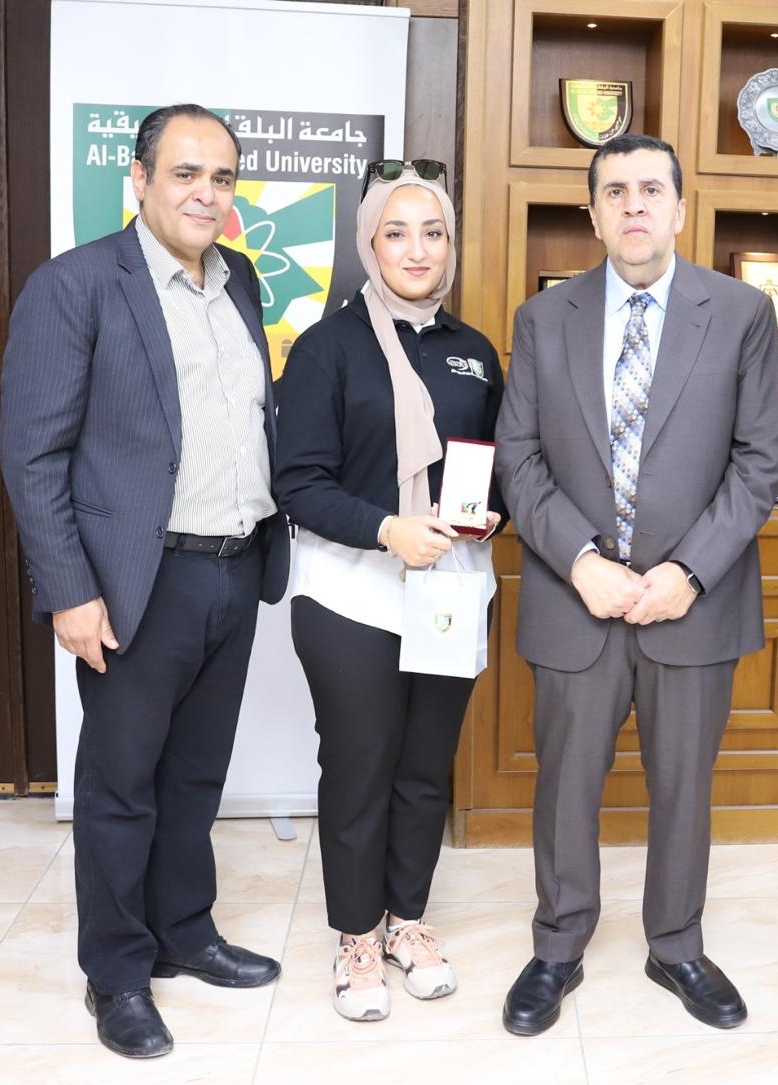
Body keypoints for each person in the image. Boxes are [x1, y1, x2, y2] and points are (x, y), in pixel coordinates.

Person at [0, 104, 290, 1058]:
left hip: (234, 569)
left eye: (222, 178)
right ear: (139, 178)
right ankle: (118, 974)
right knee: (121, 787)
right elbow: (33, 453)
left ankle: (183, 933)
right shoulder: (76, 284)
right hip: (134, 584)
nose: (206, 193)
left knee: (195, 776)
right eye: (185, 174)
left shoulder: (240, 279)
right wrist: (69, 590)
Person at [494, 132, 778, 1036]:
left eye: (651, 190)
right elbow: (519, 457)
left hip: (692, 602)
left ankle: (677, 946)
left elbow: (759, 462)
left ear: (680, 208)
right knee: (565, 784)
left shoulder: (740, 313)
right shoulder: (544, 318)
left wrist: (689, 571)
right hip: (574, 598)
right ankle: (557, 946)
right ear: (592, 215)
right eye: (615, 192)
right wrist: (581, 561)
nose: (634, 206)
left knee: (684, 785)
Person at [273, 160, 505, 1022]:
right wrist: (386, 528)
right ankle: (356, 936)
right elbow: (298, 483)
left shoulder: (473, 352)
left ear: (450, 244)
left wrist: (493, 513)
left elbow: (499, 467)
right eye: (397, 232)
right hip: (350, 594)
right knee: (360, 765)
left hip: (450, 590)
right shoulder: (327, 348)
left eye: (433, 232)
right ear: (369, 243)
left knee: (423, 768)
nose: (417, 249)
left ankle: (408, 920)